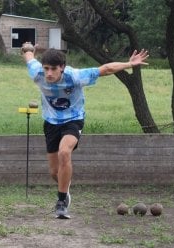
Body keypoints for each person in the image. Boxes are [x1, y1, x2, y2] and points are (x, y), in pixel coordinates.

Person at [21, 42, 149, 219]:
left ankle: (61, 201)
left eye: (53, 69)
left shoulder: (75, 76)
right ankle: (65, 187)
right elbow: (29, 57)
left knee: (64, 152)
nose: (49, 73)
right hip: (50, 122)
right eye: (46, 68)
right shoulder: (37, 73)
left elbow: (105, 69)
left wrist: (129, 64)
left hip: (73, 120)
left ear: (62, 68)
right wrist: (27, 49)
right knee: (53, 172)